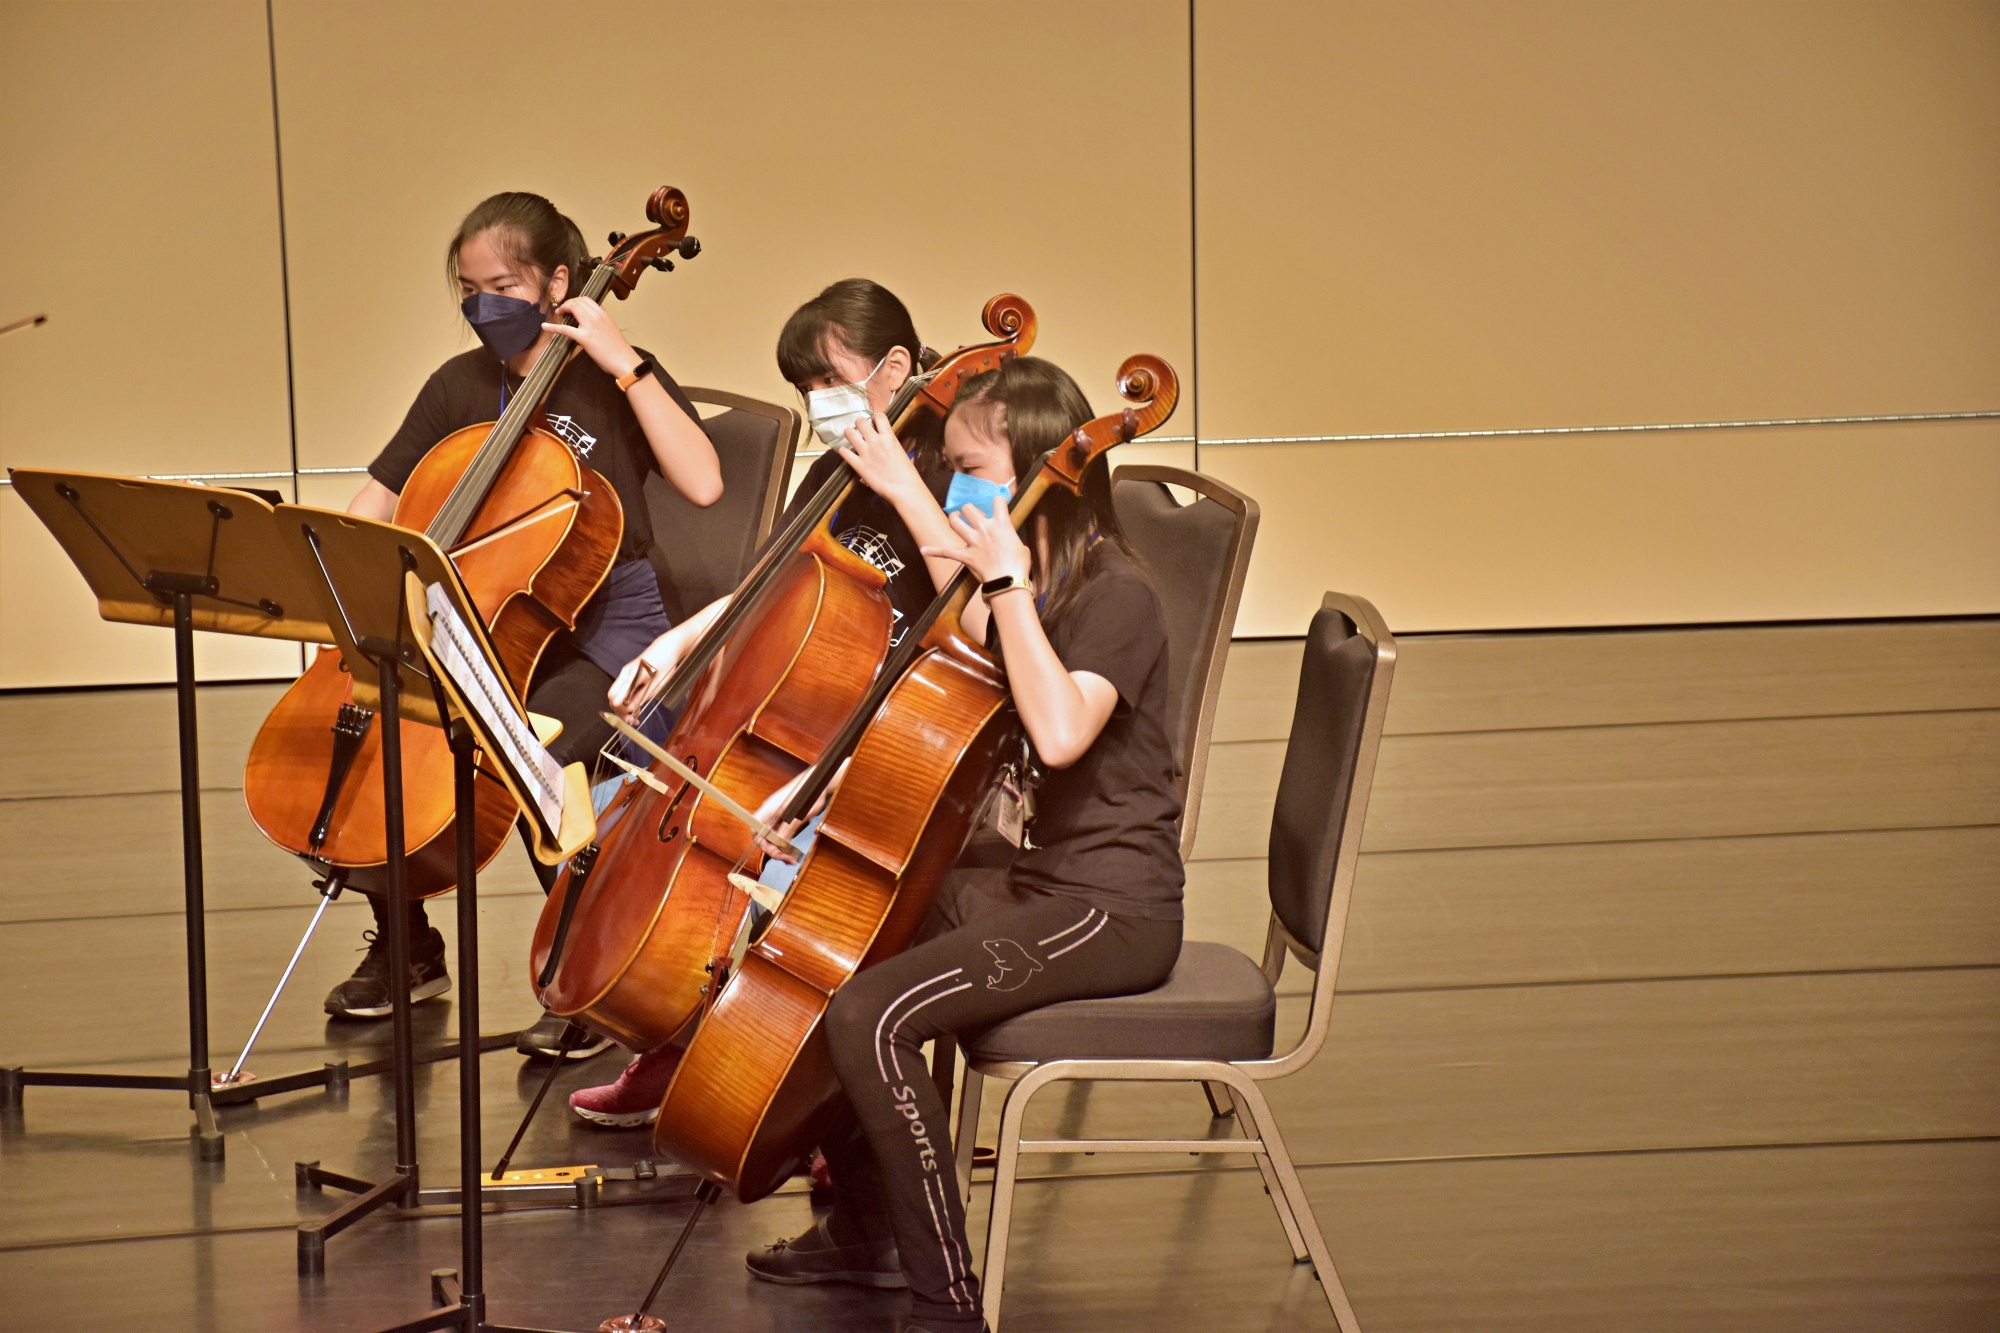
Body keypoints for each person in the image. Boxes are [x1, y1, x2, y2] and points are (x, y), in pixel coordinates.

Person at [743, 356, 1185, 1333]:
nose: (956, 492)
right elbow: (967, 621)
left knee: (873, 1016)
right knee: (844, 950)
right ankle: (865, 1230)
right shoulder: (1041, 575)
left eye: (970, 471)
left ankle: (944, 1304)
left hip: (1108, 908)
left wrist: (1005, 583)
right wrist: (830, 791)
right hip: (1033, 879)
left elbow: (1059, 730)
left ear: (1038, 469)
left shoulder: (1116, 594)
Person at [567, 279, 1021, 1126]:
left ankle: (823, 1098)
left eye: (829, 381)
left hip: (909, 736)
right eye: (804, 388)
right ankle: (675, 1030)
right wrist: (676, 644)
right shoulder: (834, 470)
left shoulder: (961, 465)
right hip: (814, 724)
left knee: (772, 862)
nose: (818, 404)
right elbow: (769, 580)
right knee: (617, 809)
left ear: (896, 367)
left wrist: (902, 485)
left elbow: (981, 607)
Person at [319, 191, 723, 1061]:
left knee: (543, 754)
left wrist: (626, 365)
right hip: (491, 618)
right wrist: (345, 589)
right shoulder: (458, 384)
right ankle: (408, 945)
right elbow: (380, 498)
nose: (482, 307)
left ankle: (584, 970)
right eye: (468, 291)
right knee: (370, 728)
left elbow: (704, 483)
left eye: (501, 288)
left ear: (558, 283)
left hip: (608, 630)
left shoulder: (613, 376)